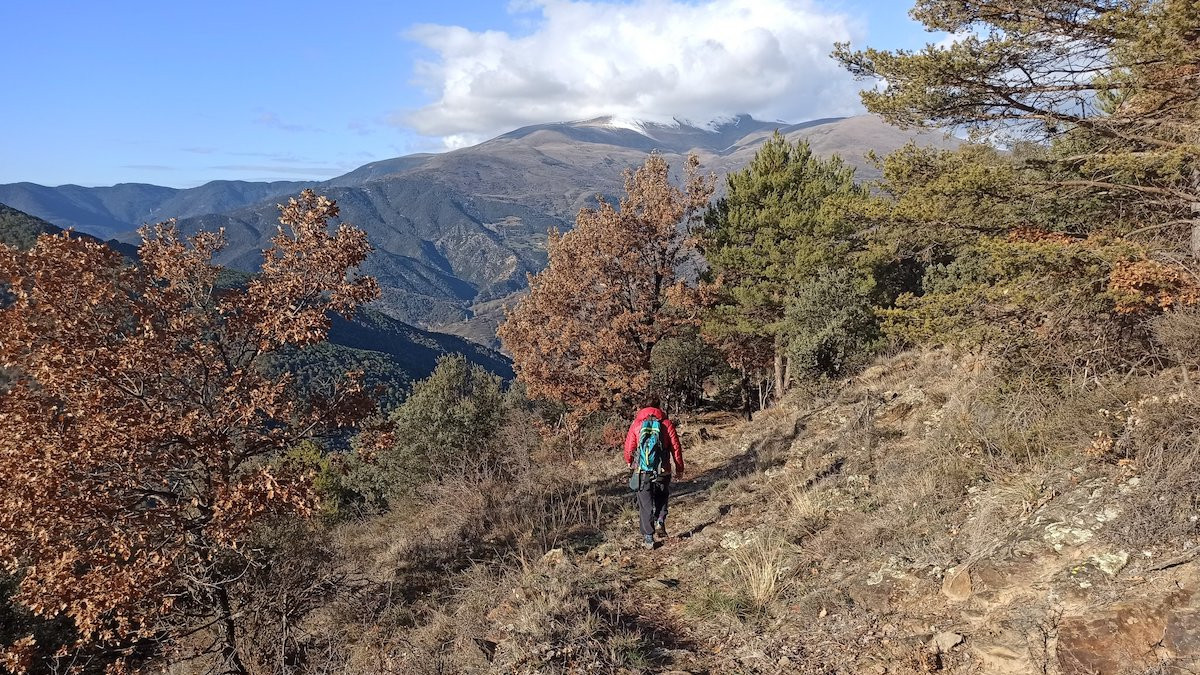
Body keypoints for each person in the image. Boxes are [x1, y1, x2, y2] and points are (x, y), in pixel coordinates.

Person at [624, 394, 684, 550]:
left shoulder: (637, 424)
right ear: (659, 406)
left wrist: (629, 462)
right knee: (662, 496)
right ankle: (661, 519)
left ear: (643, 407)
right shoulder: (666, 423)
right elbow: (675, 447)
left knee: (645, 504)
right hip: (663, 469)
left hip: (642, 470)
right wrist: (679, 468)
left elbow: (629, 447)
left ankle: (649, 537)